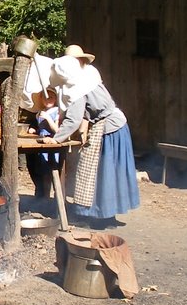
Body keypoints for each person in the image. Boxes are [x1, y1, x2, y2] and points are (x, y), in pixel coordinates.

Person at [39, 47, 140, 228]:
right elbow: (86, 113)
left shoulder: (79, 87)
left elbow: (74, 119)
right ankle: (106, 217)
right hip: (115, 126)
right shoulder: (87, 78)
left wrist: (57, 139)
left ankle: (98, 219)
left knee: (100, 174)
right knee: (107, 174)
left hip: (110, 129)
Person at [25, 87, 61, 198]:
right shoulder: (39, 113)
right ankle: (44, 197)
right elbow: (40, 128)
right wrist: (34, 129)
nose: (48, 99)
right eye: (45, 97)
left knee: (53, 171)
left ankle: (57, 197)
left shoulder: (57, 112)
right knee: (43, 172)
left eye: (51, 97)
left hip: (53, 145)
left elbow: (58, 130)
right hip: (42, 146)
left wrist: (48, 119)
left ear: (55, 98)